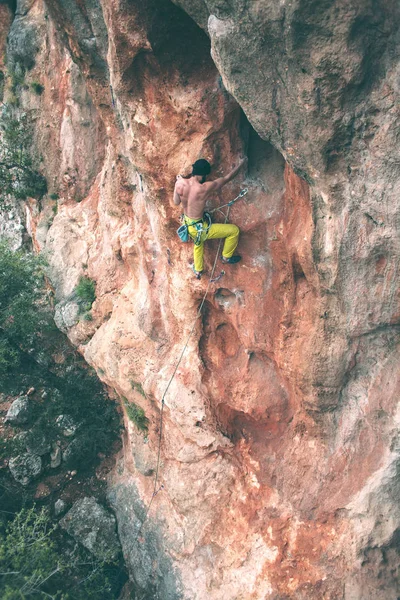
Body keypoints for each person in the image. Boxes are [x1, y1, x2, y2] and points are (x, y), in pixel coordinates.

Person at [172, 158, 247, 278]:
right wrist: (241, 164)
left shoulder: (179, 183)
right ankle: (226, 257)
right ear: (204, 175)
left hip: (187, 225)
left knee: (198, 241)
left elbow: (176, 202)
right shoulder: (204, 188)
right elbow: (227, 178)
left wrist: (179, 181)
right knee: (234, 231)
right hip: (199, 228)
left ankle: (198, 270)